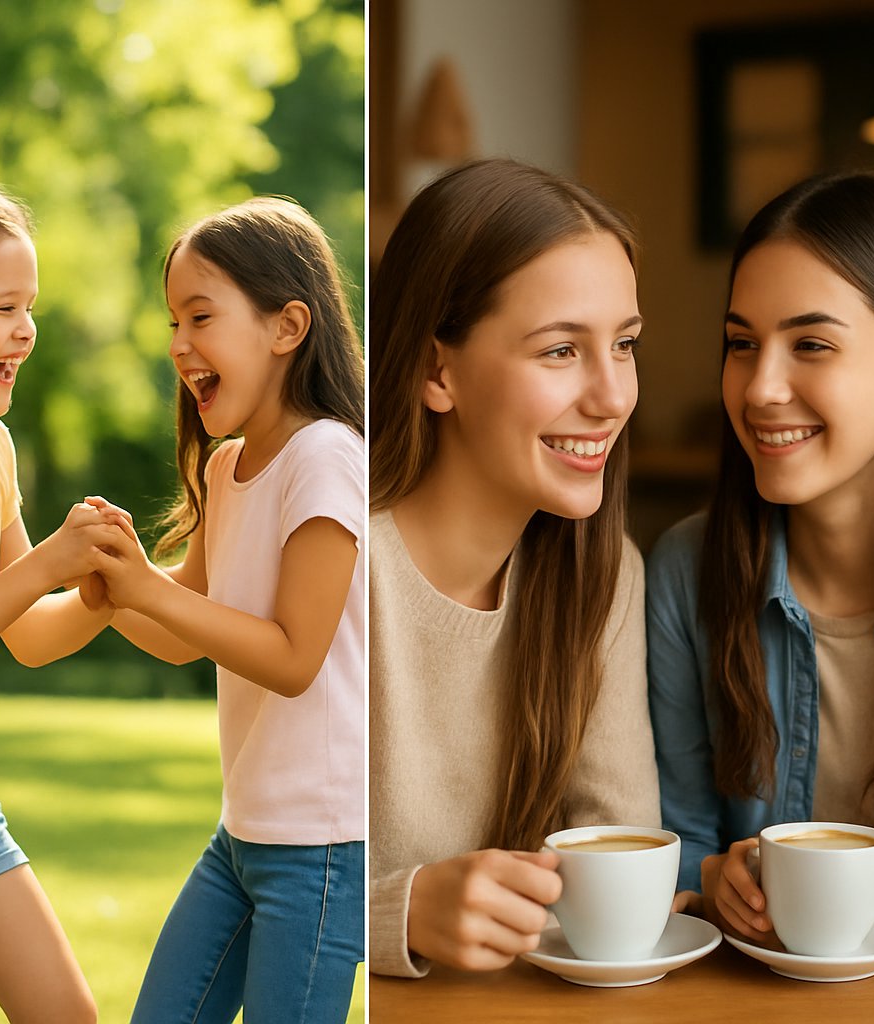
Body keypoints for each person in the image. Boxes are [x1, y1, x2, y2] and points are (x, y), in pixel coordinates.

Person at [648, 171, 874, 942]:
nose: (760, 388)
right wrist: (713, 876)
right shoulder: (687, 570)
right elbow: (676, 838)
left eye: (811, 345)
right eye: (742, 345)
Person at [365, 158, 659, 976]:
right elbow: (254, 865)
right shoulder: (344, 564)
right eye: (561, 350)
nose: (612, 397)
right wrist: (396, 910)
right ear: (436, 371)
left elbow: (619, 845)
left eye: (625, 345)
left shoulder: (605, 576)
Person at [85, 197, 366, 1021]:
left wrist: (141, 589)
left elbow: (290, 656)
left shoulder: (326, 458)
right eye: (174, 321)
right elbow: (186, 632)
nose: (179, 345)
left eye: (200, 316)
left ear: (287, 326)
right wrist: (111, 589)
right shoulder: (228, 468)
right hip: (243, 837)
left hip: (320, 850)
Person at [0, 174, 106, 1022]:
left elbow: (26, 637)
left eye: (32, 307)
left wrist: (102, 586)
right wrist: (51, 559)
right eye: (6, 307)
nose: (28, 331)